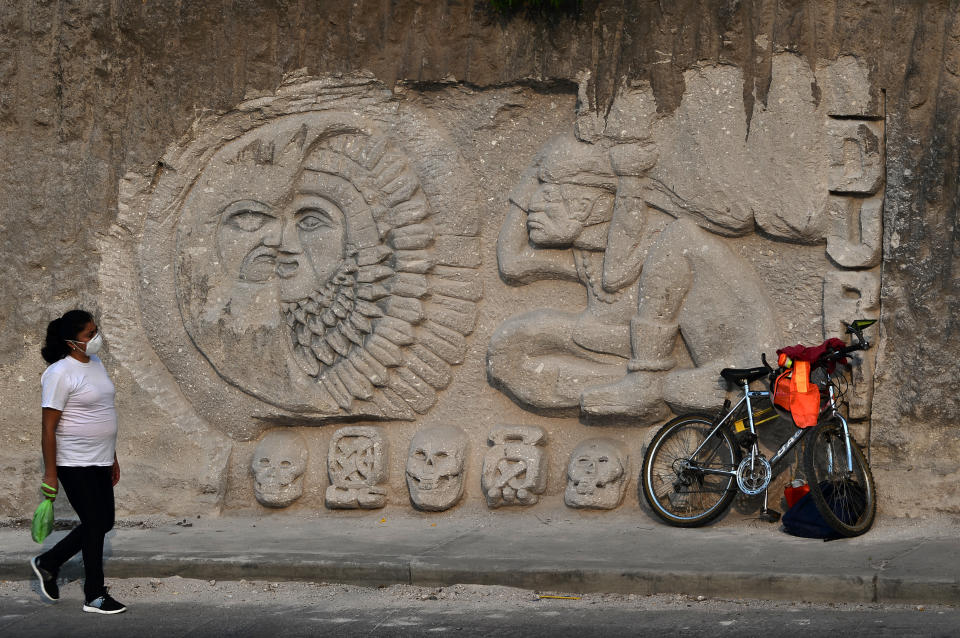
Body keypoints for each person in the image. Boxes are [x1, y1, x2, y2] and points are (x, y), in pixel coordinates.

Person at [30, 309, 126, 614]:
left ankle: (49, 562)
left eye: (95, 330)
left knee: (104, 521)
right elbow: (48, 427)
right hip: (73, 461)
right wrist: (50, 474)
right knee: (95, 523)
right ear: (73, 342)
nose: (96, 338)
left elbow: (102, 413)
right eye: (89, 334)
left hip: (100, 458)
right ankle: (94, 594)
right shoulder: (59, 373)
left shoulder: (96, 363)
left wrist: (112, 456)